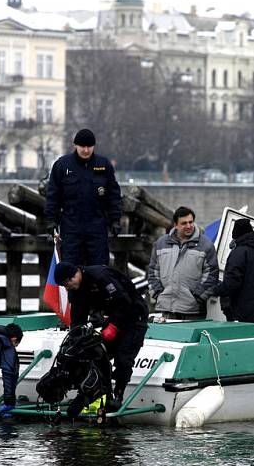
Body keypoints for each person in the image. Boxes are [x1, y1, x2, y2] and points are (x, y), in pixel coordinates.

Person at [53, 261, 148, 412]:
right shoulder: (75, 289)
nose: (66, 287)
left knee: (123, 358)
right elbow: (78, 317)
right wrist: (75, 338)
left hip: (133, 316)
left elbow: (124, 301)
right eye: (64, 285)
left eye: (66, 283)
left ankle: (118, 395)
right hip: (112, 316)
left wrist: (114, 326)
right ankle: (97, 392)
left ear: (75, 275)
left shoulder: (101, 276)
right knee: (92, 352)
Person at [45, 128, 122, 266]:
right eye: (82, 146)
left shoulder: (104, 165)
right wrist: (51, 220)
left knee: (99, 268)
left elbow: (113, 195)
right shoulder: (62, 165)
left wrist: (115, 220)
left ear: (94, 146)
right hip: (71, 227)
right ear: (75, 145)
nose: (86, 150)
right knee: (70, 269)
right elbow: (53, 196)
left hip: (97, 227)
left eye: (89, 146)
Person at [148, 206, 218, 321]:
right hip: (167, 310)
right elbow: (152, 272)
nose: (189, 226)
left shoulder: (206, 245)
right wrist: (158, 294)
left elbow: (211, 274)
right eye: (184, 223)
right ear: (175, 225)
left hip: (194, 311)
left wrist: (198, 297)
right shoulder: (161, 243)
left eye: (191, 222)